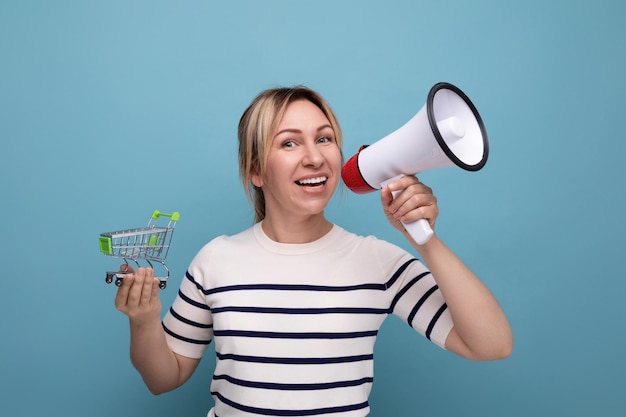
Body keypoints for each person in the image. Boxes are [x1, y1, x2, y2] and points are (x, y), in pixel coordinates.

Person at [114, 86, 513, 417]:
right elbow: (163, 379)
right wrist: (144, 320)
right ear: (255, 170)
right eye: (289, 142)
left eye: (324, 138)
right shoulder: (215, 260)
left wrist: (425, 240)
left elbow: (492, 345)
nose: (314, 157)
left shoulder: (379, 263)